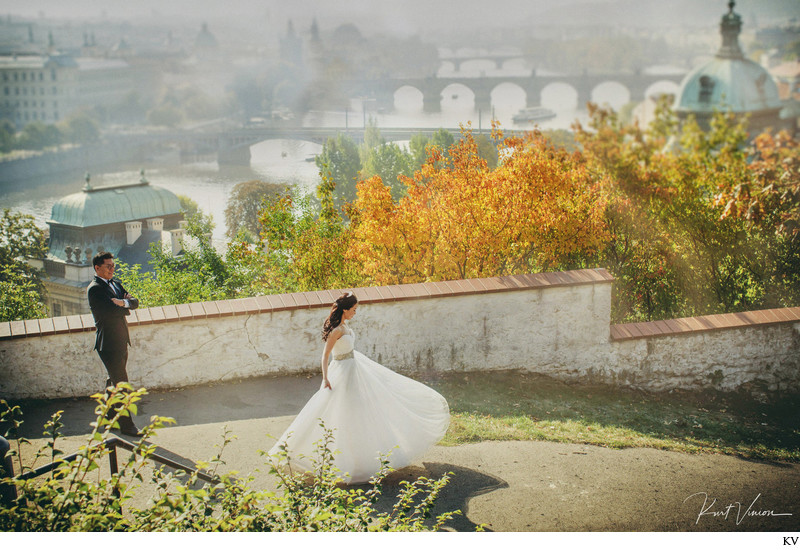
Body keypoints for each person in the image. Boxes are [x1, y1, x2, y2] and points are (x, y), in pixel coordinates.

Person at [269, 292, 450, 484]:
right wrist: (325, 378)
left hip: (355, 369)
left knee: (361, 413)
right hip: (342, 372)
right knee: (336, 413)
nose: (356, 312)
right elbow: (325, 355)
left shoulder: (345, 325)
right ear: (345, 310)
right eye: (354, 309)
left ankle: (363, 458)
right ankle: (300, 452)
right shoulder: (336, 331)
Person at [87, 251, 141, 437]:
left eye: (113, 265)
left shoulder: (116, 284)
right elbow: (110, 312)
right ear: (97, 268)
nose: (112, 269)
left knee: (114, 381)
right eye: (108, 266)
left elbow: (135, 302)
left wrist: (123, 302)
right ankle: (127, 425)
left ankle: (109, 419)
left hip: (121, 341)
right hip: (108, 344)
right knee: (122, 383)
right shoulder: (95, 289)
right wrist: (124, 305)